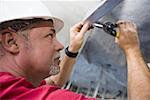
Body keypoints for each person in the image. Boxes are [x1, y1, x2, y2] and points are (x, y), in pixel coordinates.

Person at [0, 1, 149, 100]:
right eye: (49, 35)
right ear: (11, 42)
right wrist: (132, 49)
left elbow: (54, 82)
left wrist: (73, 49)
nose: (59, 46)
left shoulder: (13, 90)